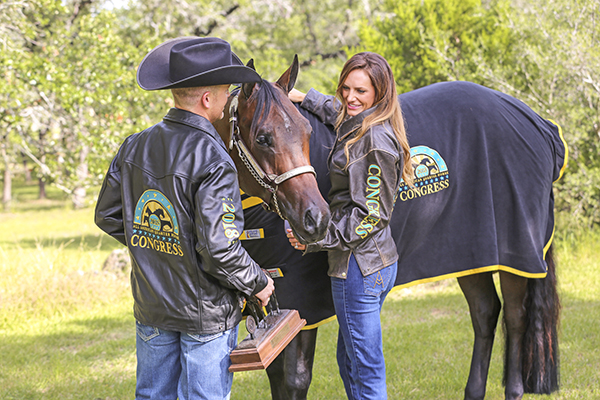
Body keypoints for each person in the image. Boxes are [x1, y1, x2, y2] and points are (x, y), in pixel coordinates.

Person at [94, 37, 275, 400]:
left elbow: (110, 216)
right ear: (207, 99)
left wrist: (160, 252)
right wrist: (258, 281)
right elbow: (219, 249)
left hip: (152, 305)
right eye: (225, 92)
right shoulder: (214, 158)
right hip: (205, 316)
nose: (228, 100)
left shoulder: (134, 145)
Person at [286, 52, 413, 399]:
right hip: (373, 264)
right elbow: (338, 112)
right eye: (346, 88)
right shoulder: (358, 122)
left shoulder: (375, 141)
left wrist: (313, 238)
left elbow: (370, 216)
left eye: (361, 91)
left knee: (365, 367)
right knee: (350, 359)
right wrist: (304, 98)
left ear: (380, 94)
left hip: (358, 269)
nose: (351, 98)